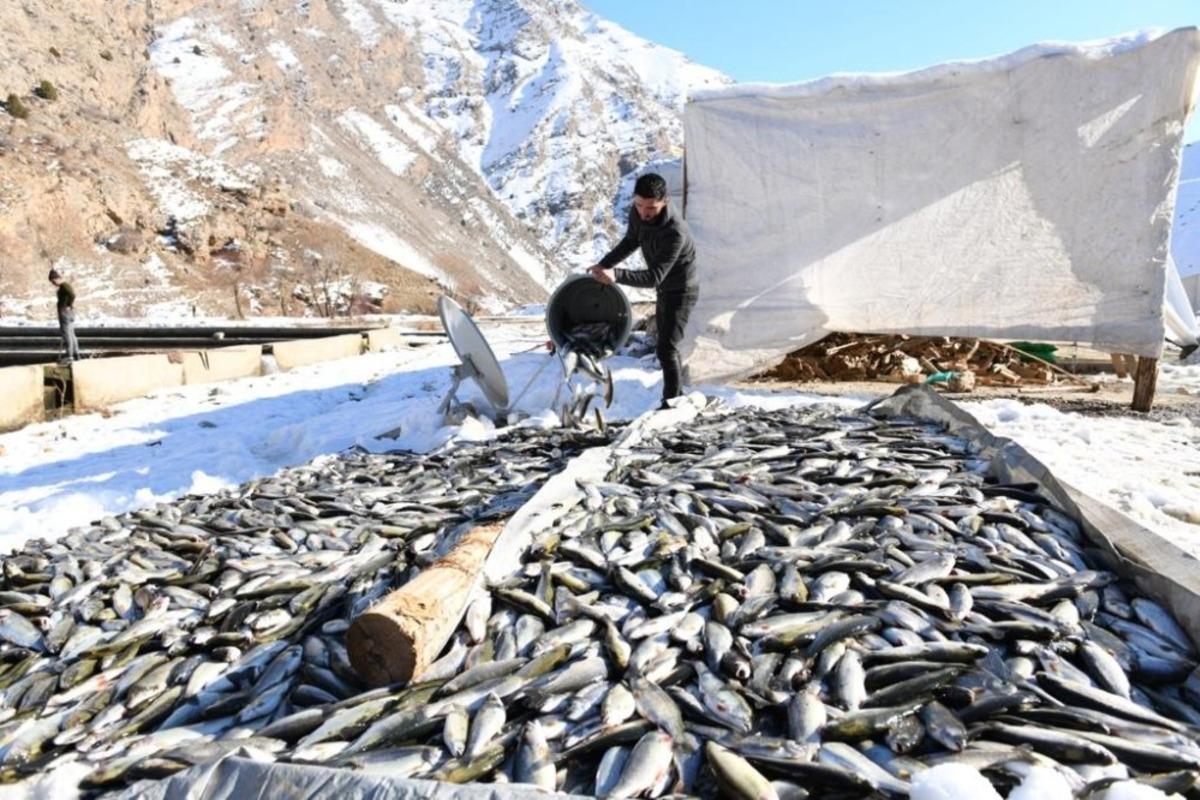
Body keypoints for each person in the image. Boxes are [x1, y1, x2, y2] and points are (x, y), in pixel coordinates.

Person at [588, 173, 698, 409]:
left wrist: (616, 276)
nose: (644, 213)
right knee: (666, 346)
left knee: (667, 348)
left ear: (665, 201)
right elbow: (630, 241)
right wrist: (604, 265)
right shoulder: (638, 213)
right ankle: (675, 397)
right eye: (639, 205)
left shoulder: (674, 232)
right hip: (664, 289)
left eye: (651, 208)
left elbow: (653, 277)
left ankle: (671, 402)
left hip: (682, 291)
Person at [48, 269, 80, 363]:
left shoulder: (64, 286)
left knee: (67, 335)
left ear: (57, 278)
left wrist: (68, 305)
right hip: (69, 313)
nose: (53, 284)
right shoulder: (64, 286)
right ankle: (76, 354)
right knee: (71, 334)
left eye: (53, 281)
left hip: (65, 313)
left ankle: (69, 355)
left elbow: (72, 295)